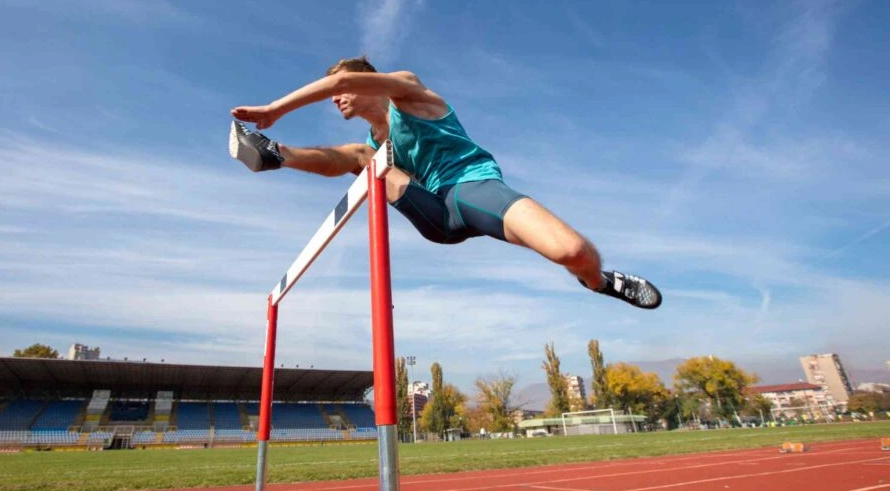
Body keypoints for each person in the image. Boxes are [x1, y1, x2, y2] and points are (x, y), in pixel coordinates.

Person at [229, 56, 661, 309]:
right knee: (361, 157)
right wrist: (282, 145)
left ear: (367, 81)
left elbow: (341, 79)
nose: (336, 96)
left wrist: (274, 107)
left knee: (572, 251)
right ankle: (275, 153)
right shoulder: (374, 144)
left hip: (473, 190)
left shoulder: (409, 92)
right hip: (435, 216)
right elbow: (339, 161)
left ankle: (602, 281)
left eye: (340, 87)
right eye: (333, 93)